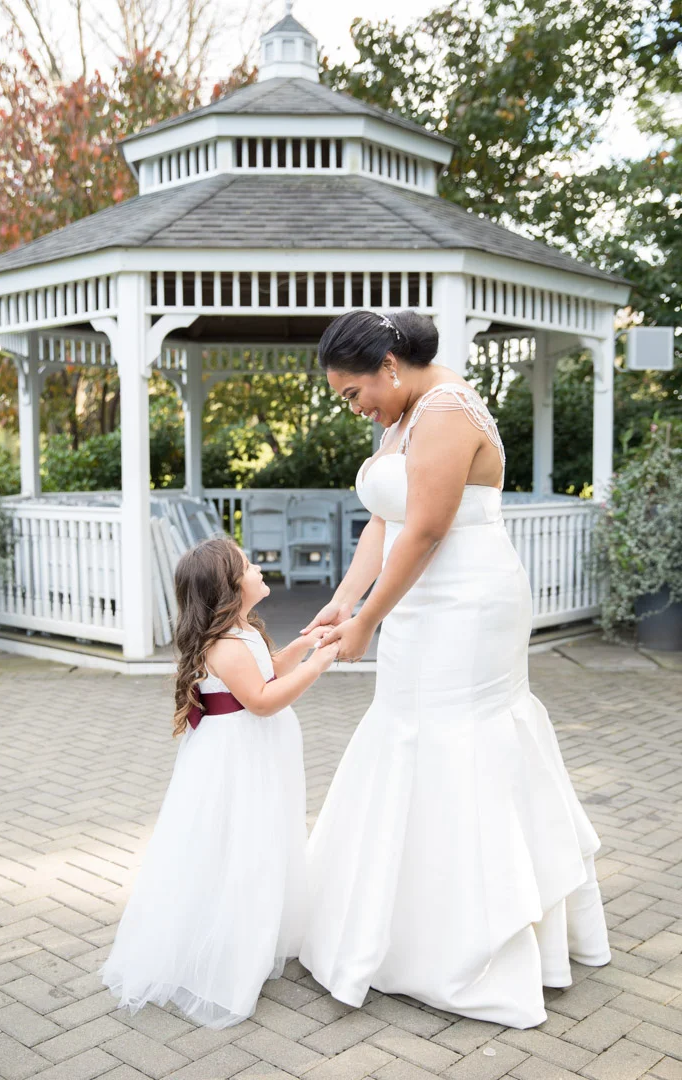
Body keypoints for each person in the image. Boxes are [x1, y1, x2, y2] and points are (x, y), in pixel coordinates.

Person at [298, 309, 611, 1029]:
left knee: (457, 743)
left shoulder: (442, 409)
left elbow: (429, 529)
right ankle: (400, 930)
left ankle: (473, 942)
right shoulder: (401, 412)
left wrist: (368, 622)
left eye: (353, 394)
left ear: (388, 364)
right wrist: (343, 601)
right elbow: (385, 520)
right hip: (417, 599)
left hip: (466, 604)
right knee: (407, 734)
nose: (355, 409)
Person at [100, 537, 338, 1029]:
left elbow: (266, 671)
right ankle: (228, 949)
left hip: (255, 752)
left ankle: (256, 930)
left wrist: (302, 646)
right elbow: (262, 700)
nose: (258, 566)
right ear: (230, 587)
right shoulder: (225, 646)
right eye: (248, 564)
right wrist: (318, 665)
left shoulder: (242, 632)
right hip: (237, 757)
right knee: (240, 842)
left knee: (264, 835)